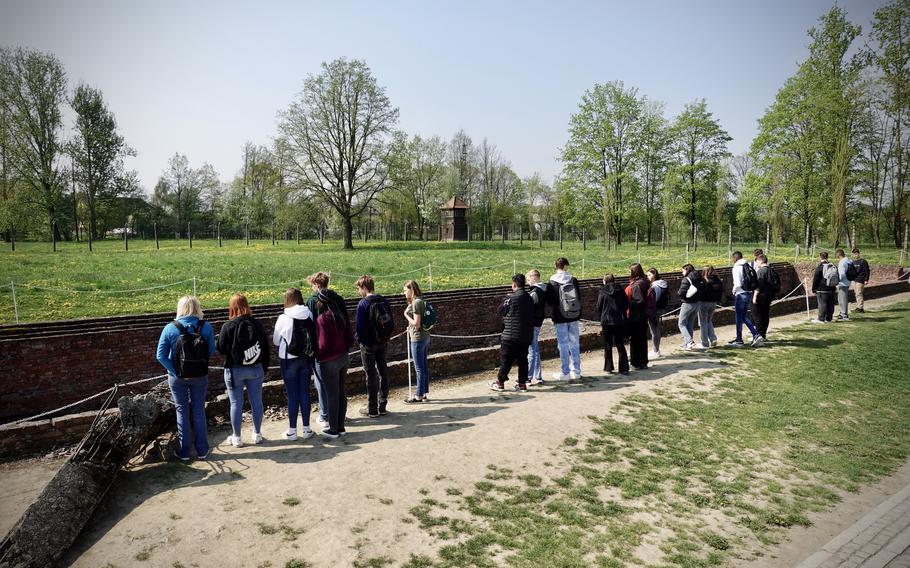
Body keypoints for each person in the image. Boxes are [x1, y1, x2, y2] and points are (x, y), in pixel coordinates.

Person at [155, 295, 216, 460]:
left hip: (177, 378)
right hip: (199, 375)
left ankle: (185, 451)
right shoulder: (206, 327)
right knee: (198, 410)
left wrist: (175, 370)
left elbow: (160, 356)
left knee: (181, 410)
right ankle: (202, 450)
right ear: (197, 308)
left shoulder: (170, 328)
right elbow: (211, 351)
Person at [217, 293, 270, 447]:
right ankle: (257, 434)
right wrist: (263, 368)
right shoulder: (257, 324)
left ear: (231, 307)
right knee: (257, 402)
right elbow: (265, 348)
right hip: (255, 368)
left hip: (235, 370)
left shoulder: (228, 326)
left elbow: (220, 348)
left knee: (235, 403)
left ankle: (237, 437)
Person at [309, 273, 354, 439]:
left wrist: (318, 354)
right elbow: (349, 337)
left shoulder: (322, 319)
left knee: (332, 394)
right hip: (343, 356)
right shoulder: (340, 315)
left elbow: (323, 343)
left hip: (329, 360)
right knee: (341, 393)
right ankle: (340, 426)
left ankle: (333, 429)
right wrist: (343, 348)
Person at [273, 287, 316, 441]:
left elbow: (276, 341)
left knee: (292, 395)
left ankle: (292, 431)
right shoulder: (308, 314)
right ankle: (306, 429)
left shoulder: (283, 318)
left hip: (288, 359)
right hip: (305, 358)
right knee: (304, 393)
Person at [354, 275, 392, 417]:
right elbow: (391, 322)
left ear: (364, 287)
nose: (359, 292)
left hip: (368, 344)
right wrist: (384, 338)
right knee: (383, 372)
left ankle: (372, 409)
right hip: (382, 342)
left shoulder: (363, 304)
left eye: (359, 288)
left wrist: (362, 340)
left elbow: (359, 327)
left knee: (370, 375)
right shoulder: (384, 300)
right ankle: (382, 405)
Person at [489, 274, 535, 392]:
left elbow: (500, 310)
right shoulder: (530, 298)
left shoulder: (510, 298)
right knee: (523, 361)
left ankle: (500, 383)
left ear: (514, 284)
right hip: (525, 336)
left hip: (510, 336)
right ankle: (522, 384)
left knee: (506, 360)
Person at [305, 272, 336, 430]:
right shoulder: (335, 298)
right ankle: (335, 411)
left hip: (320, 347)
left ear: (317, 284)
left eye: (312, 284)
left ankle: (324, 415)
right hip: (336, 346)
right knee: (334, 381)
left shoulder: (312, 301)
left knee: (320, 382)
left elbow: (309, 325)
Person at [547, 257, 582, 380]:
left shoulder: (552, 282)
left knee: (563, 345)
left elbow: (550, 301)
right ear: (565, 266)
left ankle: (565, 372)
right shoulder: (573, 280)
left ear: (556, 266)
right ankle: (576, 371)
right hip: (573, 315)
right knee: (575, 343)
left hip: (559, 316)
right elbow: (579, 298)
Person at [403, 280, 431, 403]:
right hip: (425, 337)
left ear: (412, 290)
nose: (403, 292)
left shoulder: (416, 303)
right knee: (423, 366)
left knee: (419, 368)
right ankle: (423, 393)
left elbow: (416, 324)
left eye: (405, 290)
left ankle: (419, 395)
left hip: (418, 338)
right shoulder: (421, 300)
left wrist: (405, 314)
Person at [595, 273, 629, 374]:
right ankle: (624, 368)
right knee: (620, 344)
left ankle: (608, 367)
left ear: (604, 281)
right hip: (619, 320)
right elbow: (626, 304)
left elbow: (599, 307)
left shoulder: (602, 291)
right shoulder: (620, 290)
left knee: (608, 345)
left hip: (606, 320)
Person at [729, 251, 764, 347]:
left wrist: (734, 291)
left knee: (739, 317)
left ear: (735, 258)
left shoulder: (736, 267)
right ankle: (742, 337)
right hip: (749, 293)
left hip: (740, 294)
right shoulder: (747, 265)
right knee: (743, 316)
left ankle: (750, 336)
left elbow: (738, 283)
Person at [625, 263, 651, 370]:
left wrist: (627, 304)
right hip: (643, 315)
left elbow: (639, 301)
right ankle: (643, 361)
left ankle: (636, 363)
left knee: (635, 341)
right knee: (642, 340)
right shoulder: (645, 282)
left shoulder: (636, 285)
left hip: (636, 317)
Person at [526, 269, 548, 385]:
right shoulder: (544, 289)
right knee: (535, 349)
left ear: (534, 278)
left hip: (533, 322)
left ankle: (528, 377)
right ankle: (538, 376)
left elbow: (529, 309)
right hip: (538, 321)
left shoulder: (534, 292)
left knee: (532, 351)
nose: (528, 282)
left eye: (529, 280)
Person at [677, 264, 704, 351]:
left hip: (687, 303)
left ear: (687, 270)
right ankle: (688, 343)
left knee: (681, 323)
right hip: (697, 303)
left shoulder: (686, 279)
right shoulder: (699, 278)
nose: (682, 272)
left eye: (683, 270)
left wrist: (681, 296)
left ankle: (689, 341)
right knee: (690, 323)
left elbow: (681, 292)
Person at [698, 266, 724, 349]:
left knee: (703, 323)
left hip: (704, 303)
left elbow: (701, 292)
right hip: (714, 303)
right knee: (709, 321)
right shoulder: (718, 280)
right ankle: (713, 339)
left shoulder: (705, 280)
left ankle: (705, 343)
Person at [752, 255, 775, 342]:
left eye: (756, 261)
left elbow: (759, 285)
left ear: (760, 261)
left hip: (761, 296)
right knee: (765, 315)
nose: (756, 263)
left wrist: (755, 296)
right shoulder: (771, 269)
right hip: (769, 295)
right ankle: (763, 334)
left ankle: (759, 335)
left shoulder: (761, 271)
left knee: (758, 315)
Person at [646, 268, 668, 359]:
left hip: (654, 310)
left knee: (654, 330)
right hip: (660, 309)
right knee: (656, 329)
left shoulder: (655, 286)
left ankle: (656, 351)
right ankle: (656, 349)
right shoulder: (663, 284)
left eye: (649, 275)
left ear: (654, 275)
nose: (648, 277)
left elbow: (654, 299)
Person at [812, 251, 837, 323]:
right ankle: (829, 318)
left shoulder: (820, 267)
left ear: (820, 257)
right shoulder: (832, 266)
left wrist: (814, 289)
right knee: (830, 304)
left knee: (822, 304)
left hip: (822, 289)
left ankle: (821, 318)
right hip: (831, 288)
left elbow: (816, 279)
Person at [851, 248, 871, 313]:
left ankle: (860, 308)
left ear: (859, 254)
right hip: (854, 280)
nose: (855, 255)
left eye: (856, 253)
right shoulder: (852, 262)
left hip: (860, 279)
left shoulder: (863, 261)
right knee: (856, 293)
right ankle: (858, 307)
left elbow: (867, 271)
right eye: (854, 254)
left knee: (859, 293)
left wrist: (866, 279)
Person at [835, 249, 851, 321]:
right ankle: (843, 313)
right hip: (847, 281)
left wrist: (837, 281)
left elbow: (841, 274)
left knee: (842, 299)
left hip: (842, 283)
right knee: (844, 298)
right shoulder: (848, 260)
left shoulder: (842, 262)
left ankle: (843, 314)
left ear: (838, 255)